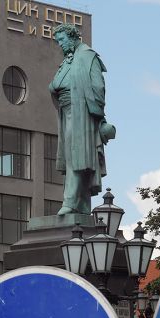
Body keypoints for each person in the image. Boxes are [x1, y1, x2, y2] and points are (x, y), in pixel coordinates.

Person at [49, 23, 116, 216]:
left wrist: (97, 115)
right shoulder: (68, 60)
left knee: (76, 156)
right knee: (71, 157)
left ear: (72, 37)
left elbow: (98, 87)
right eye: (58, 41)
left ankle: (70, 201)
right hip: (66, 112)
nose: (60, 44)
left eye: (62, 40)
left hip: (81, 112)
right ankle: (82, 205)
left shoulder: (87, 56)